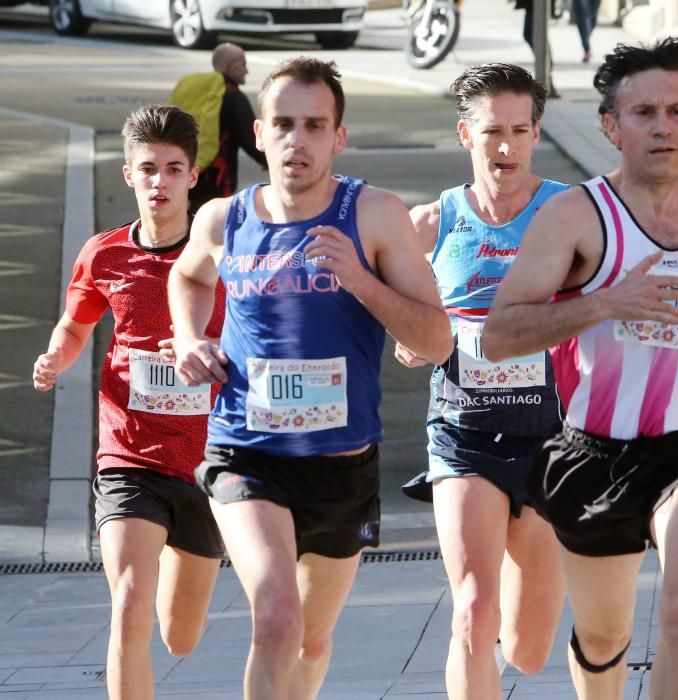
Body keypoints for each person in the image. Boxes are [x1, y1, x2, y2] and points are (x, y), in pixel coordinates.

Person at [481, 37, 678, 700]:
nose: (662, 127)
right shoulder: (576, 217)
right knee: (602, 637)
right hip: (595, 452)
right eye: (644, 113)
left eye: (677, 112)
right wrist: (605, 303)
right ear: (611, 126)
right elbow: (501, 334)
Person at [167, 57, 452, 699]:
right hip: (246, 451)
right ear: (260, 134)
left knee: (310, 639)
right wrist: (190, 335)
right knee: (275, 615)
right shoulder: (223, 219)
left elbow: (436, 341)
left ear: (338, 137)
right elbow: (187, 274)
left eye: (315, 125)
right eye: (284, 124)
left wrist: (360, 279)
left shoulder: (374, 216)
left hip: (340, 464)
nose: (299, 140)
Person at [32, 105, 226, 699]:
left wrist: (208, 348)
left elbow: (267, 339)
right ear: (129, 176)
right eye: (148, 169)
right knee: (130, 606)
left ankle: (175, 549)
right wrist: (55, 357)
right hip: (128, 457)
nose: (160, 182)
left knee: (181, 636)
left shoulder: (225, 256)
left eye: (173, 169)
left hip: (209, 463)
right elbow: (75, 324)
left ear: (194, 176)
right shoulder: (105, 253)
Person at [395, 63, 566, 699]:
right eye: (492, 130)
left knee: (528, 647)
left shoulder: (570, 213)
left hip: (554, 438)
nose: (505, 146)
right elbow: (395, 314)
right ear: (465, 134)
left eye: (520, 131)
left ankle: (498, 657)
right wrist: (411, 339)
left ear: (536, 134)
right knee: (472, 607)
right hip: (463, 431)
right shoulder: (430, 224)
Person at [170, 42, 266, 213]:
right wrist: (271, 160)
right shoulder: (233, 97)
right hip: (215, 181)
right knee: (211, 228)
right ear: (231, 66)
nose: (247, 70)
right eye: (243, 64)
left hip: (184, 172)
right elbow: (252, 140)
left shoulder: (194, 90)